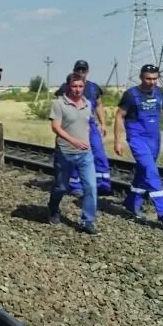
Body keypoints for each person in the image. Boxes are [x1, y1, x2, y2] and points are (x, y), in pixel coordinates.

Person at [114, 64, 163, 227]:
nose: (151, 82)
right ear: (141, 77)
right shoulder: (131, 95)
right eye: (148, 78)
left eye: (154, 78)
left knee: (143, 172)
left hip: (154, 139)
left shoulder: (160, 93)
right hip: (137, 138)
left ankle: (131, 205)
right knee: (151, 171)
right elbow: (119, 116)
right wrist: (118, 141)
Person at [48, 72, 99, 235]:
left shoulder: (87, 103)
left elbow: (87, 124)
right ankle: (53, 208)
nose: (77, 90)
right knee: (61, 187)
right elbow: (56, 127)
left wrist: (88, 140)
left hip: (85, 153)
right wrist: (73, 141)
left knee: (91, 186)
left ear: (84, 86)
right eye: (74, 86)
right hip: (65, 152)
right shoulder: (59, 104)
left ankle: (87, 221)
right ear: (68, 86)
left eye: (80, 86)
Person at [54, 60, 111, 196]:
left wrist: (103, 124)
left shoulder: (93, 88)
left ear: (87, 71)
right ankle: (75, 185)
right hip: (72, 125)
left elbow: (98, 105)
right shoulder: (65, 87)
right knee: (74, 155)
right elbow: (59, 106)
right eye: (78, 70)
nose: (81, 72)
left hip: (90, 125)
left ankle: (101, 184)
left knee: (98, 153)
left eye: (83, 70)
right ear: (74, 70)